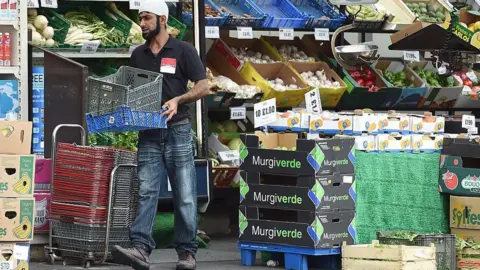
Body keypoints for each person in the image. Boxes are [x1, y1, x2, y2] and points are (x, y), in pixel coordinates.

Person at [111, 0, 209, 269]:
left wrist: (179, 99)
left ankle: (187, 253)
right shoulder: (138, 55)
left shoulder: (183, 50)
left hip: (177, 131)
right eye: (140, 18)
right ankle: (141, 248)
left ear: (162, 19)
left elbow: (203, 87)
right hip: (149, 132)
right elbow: (131, 92)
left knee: (185, 195)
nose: (142, 23)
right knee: (146, 192)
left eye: (146, 18)